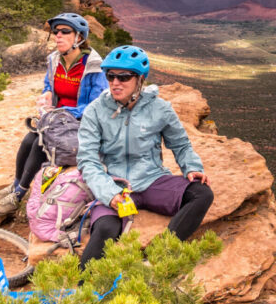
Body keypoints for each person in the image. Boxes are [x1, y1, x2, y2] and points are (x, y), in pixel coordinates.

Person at [76, 45, 214, 269]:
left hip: (152, 180)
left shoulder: (159, 108)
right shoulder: (95, 111)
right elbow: (87, 160)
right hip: (115, 184)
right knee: (105, 230)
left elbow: (180, 144)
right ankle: (84, 297)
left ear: (140, 80)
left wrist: (191, 167)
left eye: (124, 77)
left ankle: (155, 258)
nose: (115, 82)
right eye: (110, 76)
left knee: (201, 193)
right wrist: (110, 193)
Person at [0, 13, 107, 216]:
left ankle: (17, 196)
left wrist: (63, 111)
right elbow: (48, 84)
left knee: (39, 143)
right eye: (56, 31)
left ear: (79, 37)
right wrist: (47, 93)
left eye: (65, 31)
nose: (58, 35)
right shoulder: (54, 60)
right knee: (28, 139)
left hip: (81, 123)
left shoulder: (94, 66)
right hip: (56, 121)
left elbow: (96, 106)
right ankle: (16, 184)